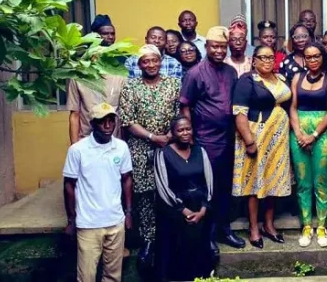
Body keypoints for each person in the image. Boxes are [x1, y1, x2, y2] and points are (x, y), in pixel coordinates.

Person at [180, 26, 246, 253]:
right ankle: (207, 236)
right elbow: (185, 106)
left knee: (225, 187)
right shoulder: (195, 73)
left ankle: (225, 230)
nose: (219, 50)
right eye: (214, 46)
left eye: (222, 47)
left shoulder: (231, 72)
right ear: (206, 47)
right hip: (205, 142)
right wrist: (190, 140)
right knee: (207, 190)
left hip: (228, 140)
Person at [119, 44, 181, 264]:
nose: (151, 65)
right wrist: (153, 138)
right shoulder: (130, 87)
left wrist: (168, 136)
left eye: (154, 60)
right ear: (140, 65)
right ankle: (148, 241)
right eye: (146, 61)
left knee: (170, 194)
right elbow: (127, 121)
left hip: (169, 147)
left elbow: (178, 116)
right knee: (144, 196)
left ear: (160, 61)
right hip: (140, 148)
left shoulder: (174, 84)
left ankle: (169, 240)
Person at [63, 103, 133, 282]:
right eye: (103, 122)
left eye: (111, 121)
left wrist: (128, 213)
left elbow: (126, 179)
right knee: (86, 276)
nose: (108, 126)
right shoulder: (78, 150)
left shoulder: (121, 147)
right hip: (88, 224)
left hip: (116, 222)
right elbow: (69, 185)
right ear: (93, 124)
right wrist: (71, 219)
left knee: (113, 276)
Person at [232, 45, 292, 249]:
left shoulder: (281, 78)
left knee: (273, 181)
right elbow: (239, 114)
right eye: (262, 57)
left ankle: (269, 224)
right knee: (255, 183)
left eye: (270, 57)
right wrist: (249, 141)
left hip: (278, 138)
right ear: (254, 60)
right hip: (256, 136)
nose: (267, 61)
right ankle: (254, 228)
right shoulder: (247, 80)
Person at [289, 43, 327, 248]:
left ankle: (321, 226)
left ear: (323, 57)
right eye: (308, 57)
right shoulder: (297, 78)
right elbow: (292, 108)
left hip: (323, 134)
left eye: (316, 56)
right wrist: (299, 133)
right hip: (299, 133)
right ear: (304, 59)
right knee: (303, 181)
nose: (312, 60)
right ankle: (306, 225)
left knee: (321, 180)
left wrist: (314, 134)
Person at [154, 116, 215, 281]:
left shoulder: (200, 152)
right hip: (175, 211)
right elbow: (163, 187)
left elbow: (208, 182)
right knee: (178, 254)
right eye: (180, 130)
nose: (185, 133)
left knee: (198, 254)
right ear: (173, 133)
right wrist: (184, 211)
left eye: (188, 129)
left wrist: (202, 210)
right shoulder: (163, 154)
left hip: (200, 208)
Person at [67, 70, 125, 143]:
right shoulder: (78, 77)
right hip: (86, 141)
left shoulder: (120, 77)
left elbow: (124, 115)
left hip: (113, 142)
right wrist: (74, 146)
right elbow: (75, 114)